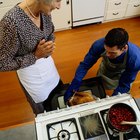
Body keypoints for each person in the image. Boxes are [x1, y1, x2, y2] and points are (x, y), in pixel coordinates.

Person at [0, 0, 62, 115]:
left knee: (58, 97)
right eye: (58, 1)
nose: (59, 6)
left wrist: (49, 45)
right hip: (31, 76)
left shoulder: (44, 11)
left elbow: (50, 33)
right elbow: (2, 63)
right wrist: (35, 56)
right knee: (43, 112)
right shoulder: (11, 22)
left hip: (48, 67)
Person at [64, 28, 140, 103]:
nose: (107, 54)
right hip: (106, 68)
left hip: (124, 72)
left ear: (124, 48)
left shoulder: (135, 60)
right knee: (101, 84)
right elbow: (85, 65)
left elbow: (124, 84)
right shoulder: (98, 45)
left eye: (112, 53)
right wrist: (77, 80)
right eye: (106, 50)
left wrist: (112, 100)